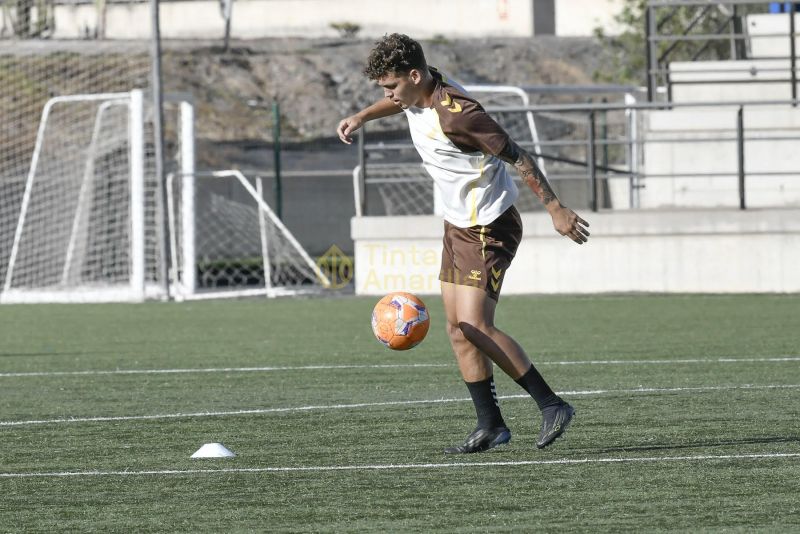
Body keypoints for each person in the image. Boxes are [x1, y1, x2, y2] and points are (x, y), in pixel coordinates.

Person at [337, 34, 590, 453]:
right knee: (457, 330)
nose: (388, 95)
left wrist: (556, 208)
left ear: (414, 75)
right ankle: (491, 426)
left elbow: (519, 156)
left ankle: (552, 404)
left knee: (475, 325)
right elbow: (399, 101)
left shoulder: (460, 116)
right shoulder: (419, 88)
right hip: (457, 224)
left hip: (489, 226)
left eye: (391, 87)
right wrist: (363, 116)